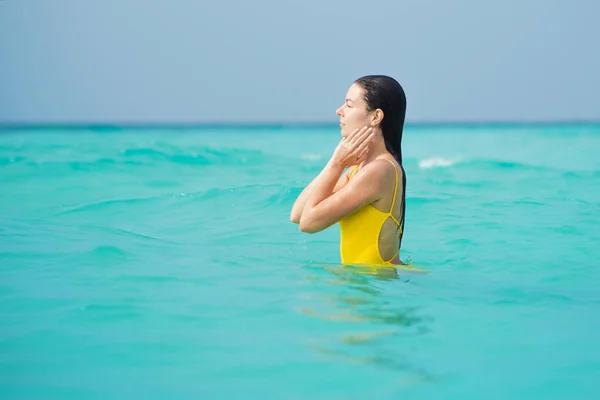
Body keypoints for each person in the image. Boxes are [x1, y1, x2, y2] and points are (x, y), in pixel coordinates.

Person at [290, 75, 408, 266]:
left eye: (349, 105)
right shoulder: (360, 168)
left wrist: (337, 164)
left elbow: (309, 224)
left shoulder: (380, 170)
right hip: (369, 284)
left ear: (376, 116)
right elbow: (297, 214)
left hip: (376, 286)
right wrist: (336, 163)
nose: (339, 111)